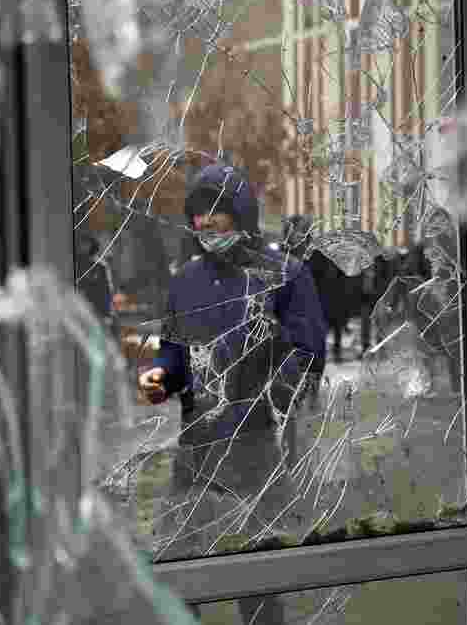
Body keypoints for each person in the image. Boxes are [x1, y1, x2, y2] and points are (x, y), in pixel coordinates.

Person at [137, 163, 326, 625]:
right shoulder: (184, 280)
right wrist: (161, 375)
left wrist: (273, 369)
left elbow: (310, 353)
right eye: (197, 216)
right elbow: (175, 353)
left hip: (256, 444)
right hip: (196, 447)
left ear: (240, 214)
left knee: (256, 576)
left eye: (214, 214)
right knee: (182, 575)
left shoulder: (285, 273)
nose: (204, 225)